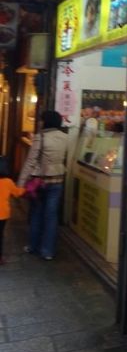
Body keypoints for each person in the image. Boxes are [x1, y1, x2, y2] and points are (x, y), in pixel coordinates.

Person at [17, 110, 68, 261]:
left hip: (41, 182)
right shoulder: (65, 138)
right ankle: (48, 251)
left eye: (41, 120)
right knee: (51, 217)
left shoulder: (41, 137)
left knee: (37, 214)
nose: (40, 122)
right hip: (58, 180)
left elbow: (31, 161)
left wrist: (20, 183)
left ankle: (33, 246)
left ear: (46, 121)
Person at [0, 159, 25, 265]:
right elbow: (17, 193)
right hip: (3, 214)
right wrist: (26, 188)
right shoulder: (8, 182)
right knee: (0, 235)